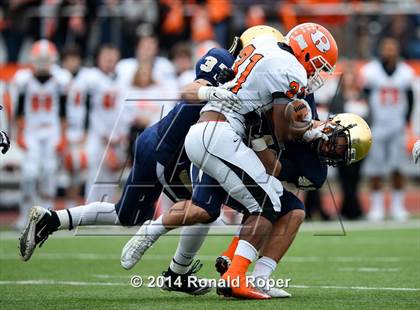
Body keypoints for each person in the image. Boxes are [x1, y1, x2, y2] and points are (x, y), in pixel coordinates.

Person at [121, 23, 338, 299]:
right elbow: (282, 132)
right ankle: (232, 277)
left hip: (211, 132)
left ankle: (240, 275)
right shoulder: (291, 69)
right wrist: (309, 131)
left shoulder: (264, 48)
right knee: (264, 200)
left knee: (270, 201)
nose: (317, 75)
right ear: (305, 53)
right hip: (220, 134)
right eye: (318, 65)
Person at [18, 47, 239, 300]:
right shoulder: (223, 62)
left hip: (156, 141)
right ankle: (178, 271)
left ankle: (52, 219)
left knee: (126, 214)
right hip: (168, 151)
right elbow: (192, 89)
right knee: (205, 208)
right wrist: (213, 92)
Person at [13, 39, 71, 229]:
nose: (44, 62)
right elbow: (19, 110)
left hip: (51, 130)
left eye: (47, 59)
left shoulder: (60, 79)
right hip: (31, 131)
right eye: (41, 58)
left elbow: (63, 112)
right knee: (29, 174)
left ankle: (48, 216)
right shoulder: (24, 79)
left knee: (48, 172)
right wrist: (19, 134)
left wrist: (63, 136)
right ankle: (24, 215)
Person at [361, 37, 415, 221]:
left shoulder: (406, 72)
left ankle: (398, 206)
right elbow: (365, 98)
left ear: (397, 50)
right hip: (377, 125)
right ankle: (376, 207)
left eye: (392, 48)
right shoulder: (371, 71)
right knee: (374, 168)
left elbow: (410, 98)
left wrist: (406, 122)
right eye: (386, 48)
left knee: (398, 167)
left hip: (397, 125)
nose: (388, 52)